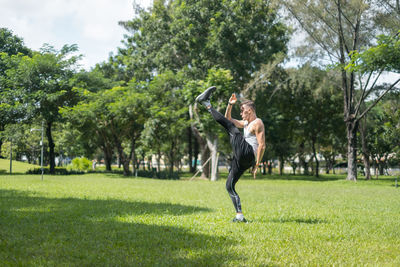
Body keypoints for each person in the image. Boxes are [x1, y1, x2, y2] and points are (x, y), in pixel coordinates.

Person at [196, 86, 266, 223]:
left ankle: (206, 103)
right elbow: (228, 119)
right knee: (229, 185)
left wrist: (257, 164)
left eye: (242, 111)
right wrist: (229, 105)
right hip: (243, 158)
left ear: (250, 110)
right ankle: (239, 216)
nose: (241, 113)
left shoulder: (258, 123)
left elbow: (262, 145)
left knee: (231, 129)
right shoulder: (246, 123)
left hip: (248, 153)